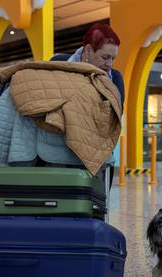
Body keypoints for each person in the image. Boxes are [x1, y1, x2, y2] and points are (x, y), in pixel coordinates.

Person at [64, 23, 125, 189]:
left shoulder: (115, 80)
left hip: (98, 161)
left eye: (113, 58)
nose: (110, 64)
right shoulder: (58, 64)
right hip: (57, 157)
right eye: (105, 57)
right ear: (88, 50)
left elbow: (113, 120)